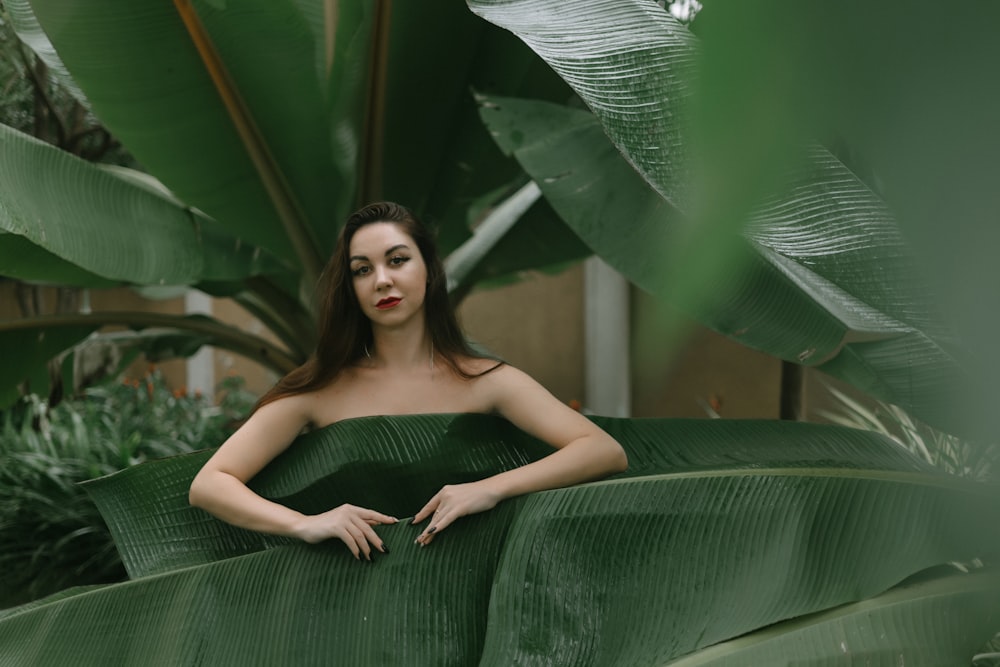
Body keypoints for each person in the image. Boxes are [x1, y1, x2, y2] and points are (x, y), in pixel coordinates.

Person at [189, 202, 628, 560]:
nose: (382, 280)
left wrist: (489, 489)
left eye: (398, 260)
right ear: (352, 289)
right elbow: (210, 483)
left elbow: (602, 450)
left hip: (472, 594)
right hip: (348, 607)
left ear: (428, 271)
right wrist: (305, 523)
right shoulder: (322, 389)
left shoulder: (486, 381)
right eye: (362, 270)